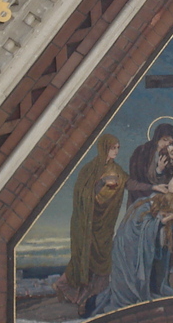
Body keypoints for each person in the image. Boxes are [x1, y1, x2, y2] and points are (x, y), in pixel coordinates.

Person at [91, 192, 173, 316]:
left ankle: (148, 291)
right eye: (166, 212)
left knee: (149, 277)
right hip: (127, 249)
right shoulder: (142, 207)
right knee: (129, 281)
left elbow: (157, 234)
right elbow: (139, 229)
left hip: (138, 248)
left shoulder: (157, 209)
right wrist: (161, 222)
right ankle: (132, 298)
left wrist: (170, 222)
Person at [53, 134, 128, 312]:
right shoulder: (90, 169)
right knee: (85, 259)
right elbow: (82, 193)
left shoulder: (118, 171)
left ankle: (93, 298)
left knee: (102, 262)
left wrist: (152, 185)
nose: (116, 151)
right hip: (88, 225)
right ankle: (75, 294)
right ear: (103, 148)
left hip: (105, 227)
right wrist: (102, 182)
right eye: (112, 147)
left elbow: (129, 183)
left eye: (118, 147)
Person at [126, 122, 173, 204]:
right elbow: (137, 178)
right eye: (165, 139)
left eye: (170, 142)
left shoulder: (170, 156)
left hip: (161, 198)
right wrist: (158, 170)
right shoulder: (142, 152)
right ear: (157, 138)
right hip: (141, 196)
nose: (167, 144)